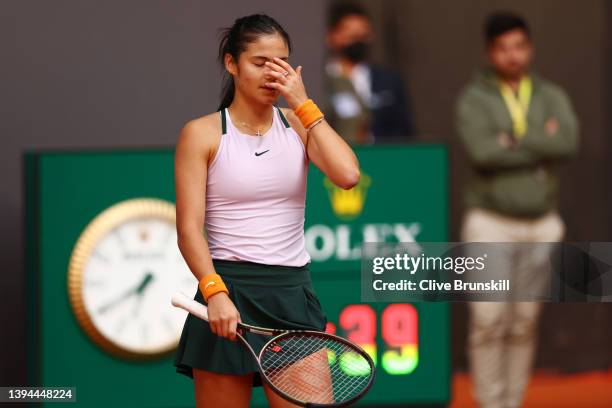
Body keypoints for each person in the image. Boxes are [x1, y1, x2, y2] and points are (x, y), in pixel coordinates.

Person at [173, 14, 360, 408]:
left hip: (292, 295)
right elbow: (190, 229)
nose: (271, 74)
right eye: (260, 62)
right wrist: (215, 292)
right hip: (228, 290)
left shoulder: (300, 123)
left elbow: (347, 175)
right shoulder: (201, 134)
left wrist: (303, 103)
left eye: (281, 64)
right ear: (231, 63)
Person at [456, 12, 579, 408]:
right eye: (504, 48)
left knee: (524, 323)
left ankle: (512, 402)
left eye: (520, 46)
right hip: (490, 222)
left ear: (530, 48)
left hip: (542, 224)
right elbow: (482, 151)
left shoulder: (551, 95)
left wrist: (512, 142)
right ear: (491, 53)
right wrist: (538, 141)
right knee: (489, 322)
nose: (513, 55)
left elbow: (569, 143)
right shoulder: (474, 98)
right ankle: (490, 403)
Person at [325, 2, 414, 144]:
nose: (358, 41)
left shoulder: (389, 81)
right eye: (351, 35)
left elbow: (405, 131)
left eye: (363, 34)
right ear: (332, 36)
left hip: (384, 160)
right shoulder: (322, 81)